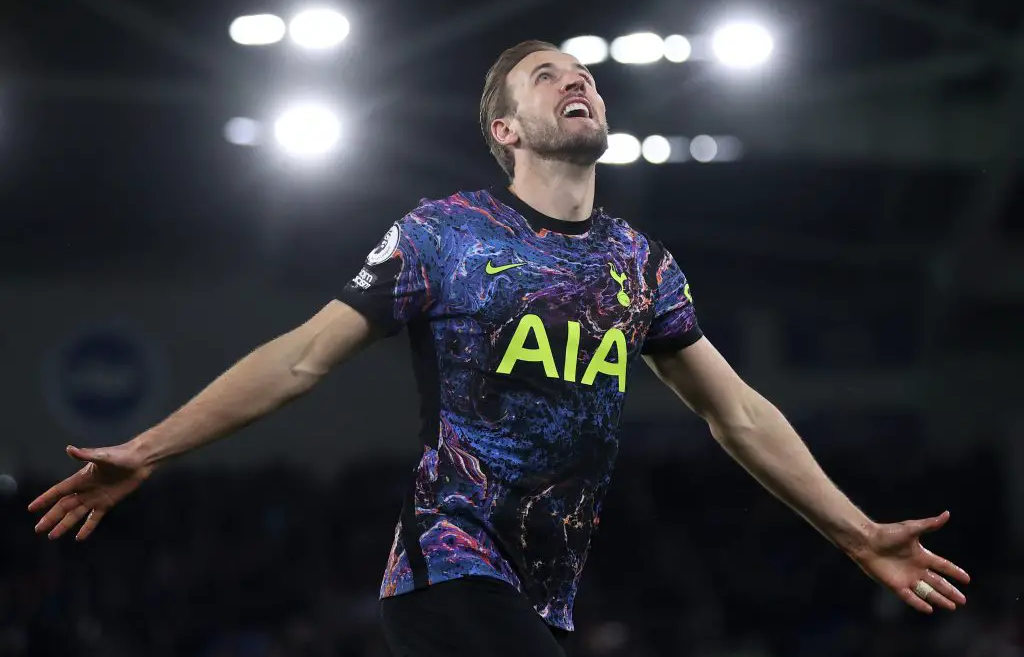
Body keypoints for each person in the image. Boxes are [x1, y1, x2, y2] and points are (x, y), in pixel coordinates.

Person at [29, 40, 970, 656]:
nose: (579, 81)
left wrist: (855, 531)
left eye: (587, 75)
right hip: (446, 567)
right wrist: (146, 450)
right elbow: (302, 357)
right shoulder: (444, 234)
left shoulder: (640, 264)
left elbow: (738, 412)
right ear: (506, 130)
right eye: (548, 75)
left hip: (542, 604)